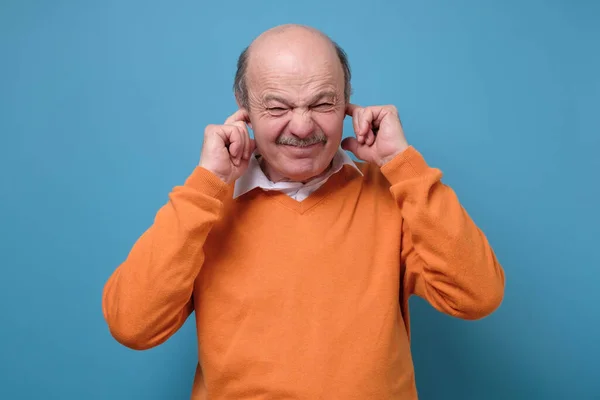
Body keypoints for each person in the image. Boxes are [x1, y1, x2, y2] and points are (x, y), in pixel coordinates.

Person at [102, 24, 505, 399]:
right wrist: (207, 183)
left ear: (347, 103)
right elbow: (133, 325)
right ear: (244, 108)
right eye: (277, 108)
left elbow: (477, 296)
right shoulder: (206, 206)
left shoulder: (394, 193)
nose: (301, 126)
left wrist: (402, 162)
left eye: (323, 103)